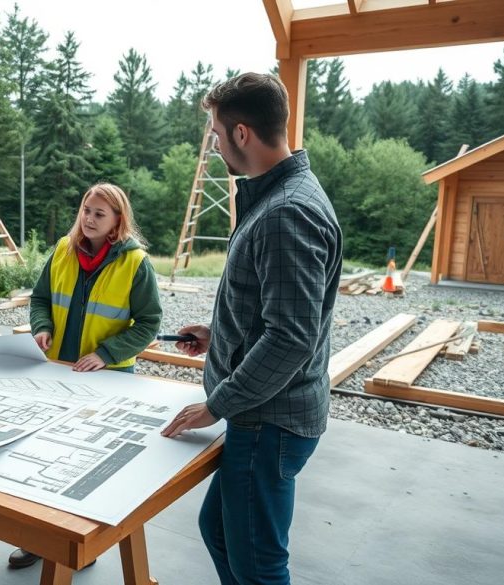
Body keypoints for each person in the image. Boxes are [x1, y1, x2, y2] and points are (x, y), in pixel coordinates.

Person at [160, 73, 343, 585]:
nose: (215, 145)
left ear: (242, 133)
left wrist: (215, 405)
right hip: (262, 417)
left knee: (259, 564)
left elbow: (290, 340)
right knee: (219, 530)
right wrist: (221, 335)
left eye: (216, 133)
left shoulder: (287, 213)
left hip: (268, 423)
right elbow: (277, 313)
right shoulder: (276, 197)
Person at [9, 182, 163, 569]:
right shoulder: (63, 250)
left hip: (107, 380)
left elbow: (149, 324)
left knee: (87, 469)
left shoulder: (136, 263)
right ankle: (36, 539)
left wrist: (106, 354)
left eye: (99, 213)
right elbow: (41, 298)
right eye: (86, 210)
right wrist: (41, 326)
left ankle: (81, 544)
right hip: (58, 374)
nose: (89, 219)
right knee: (42, 459)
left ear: (117, 222)